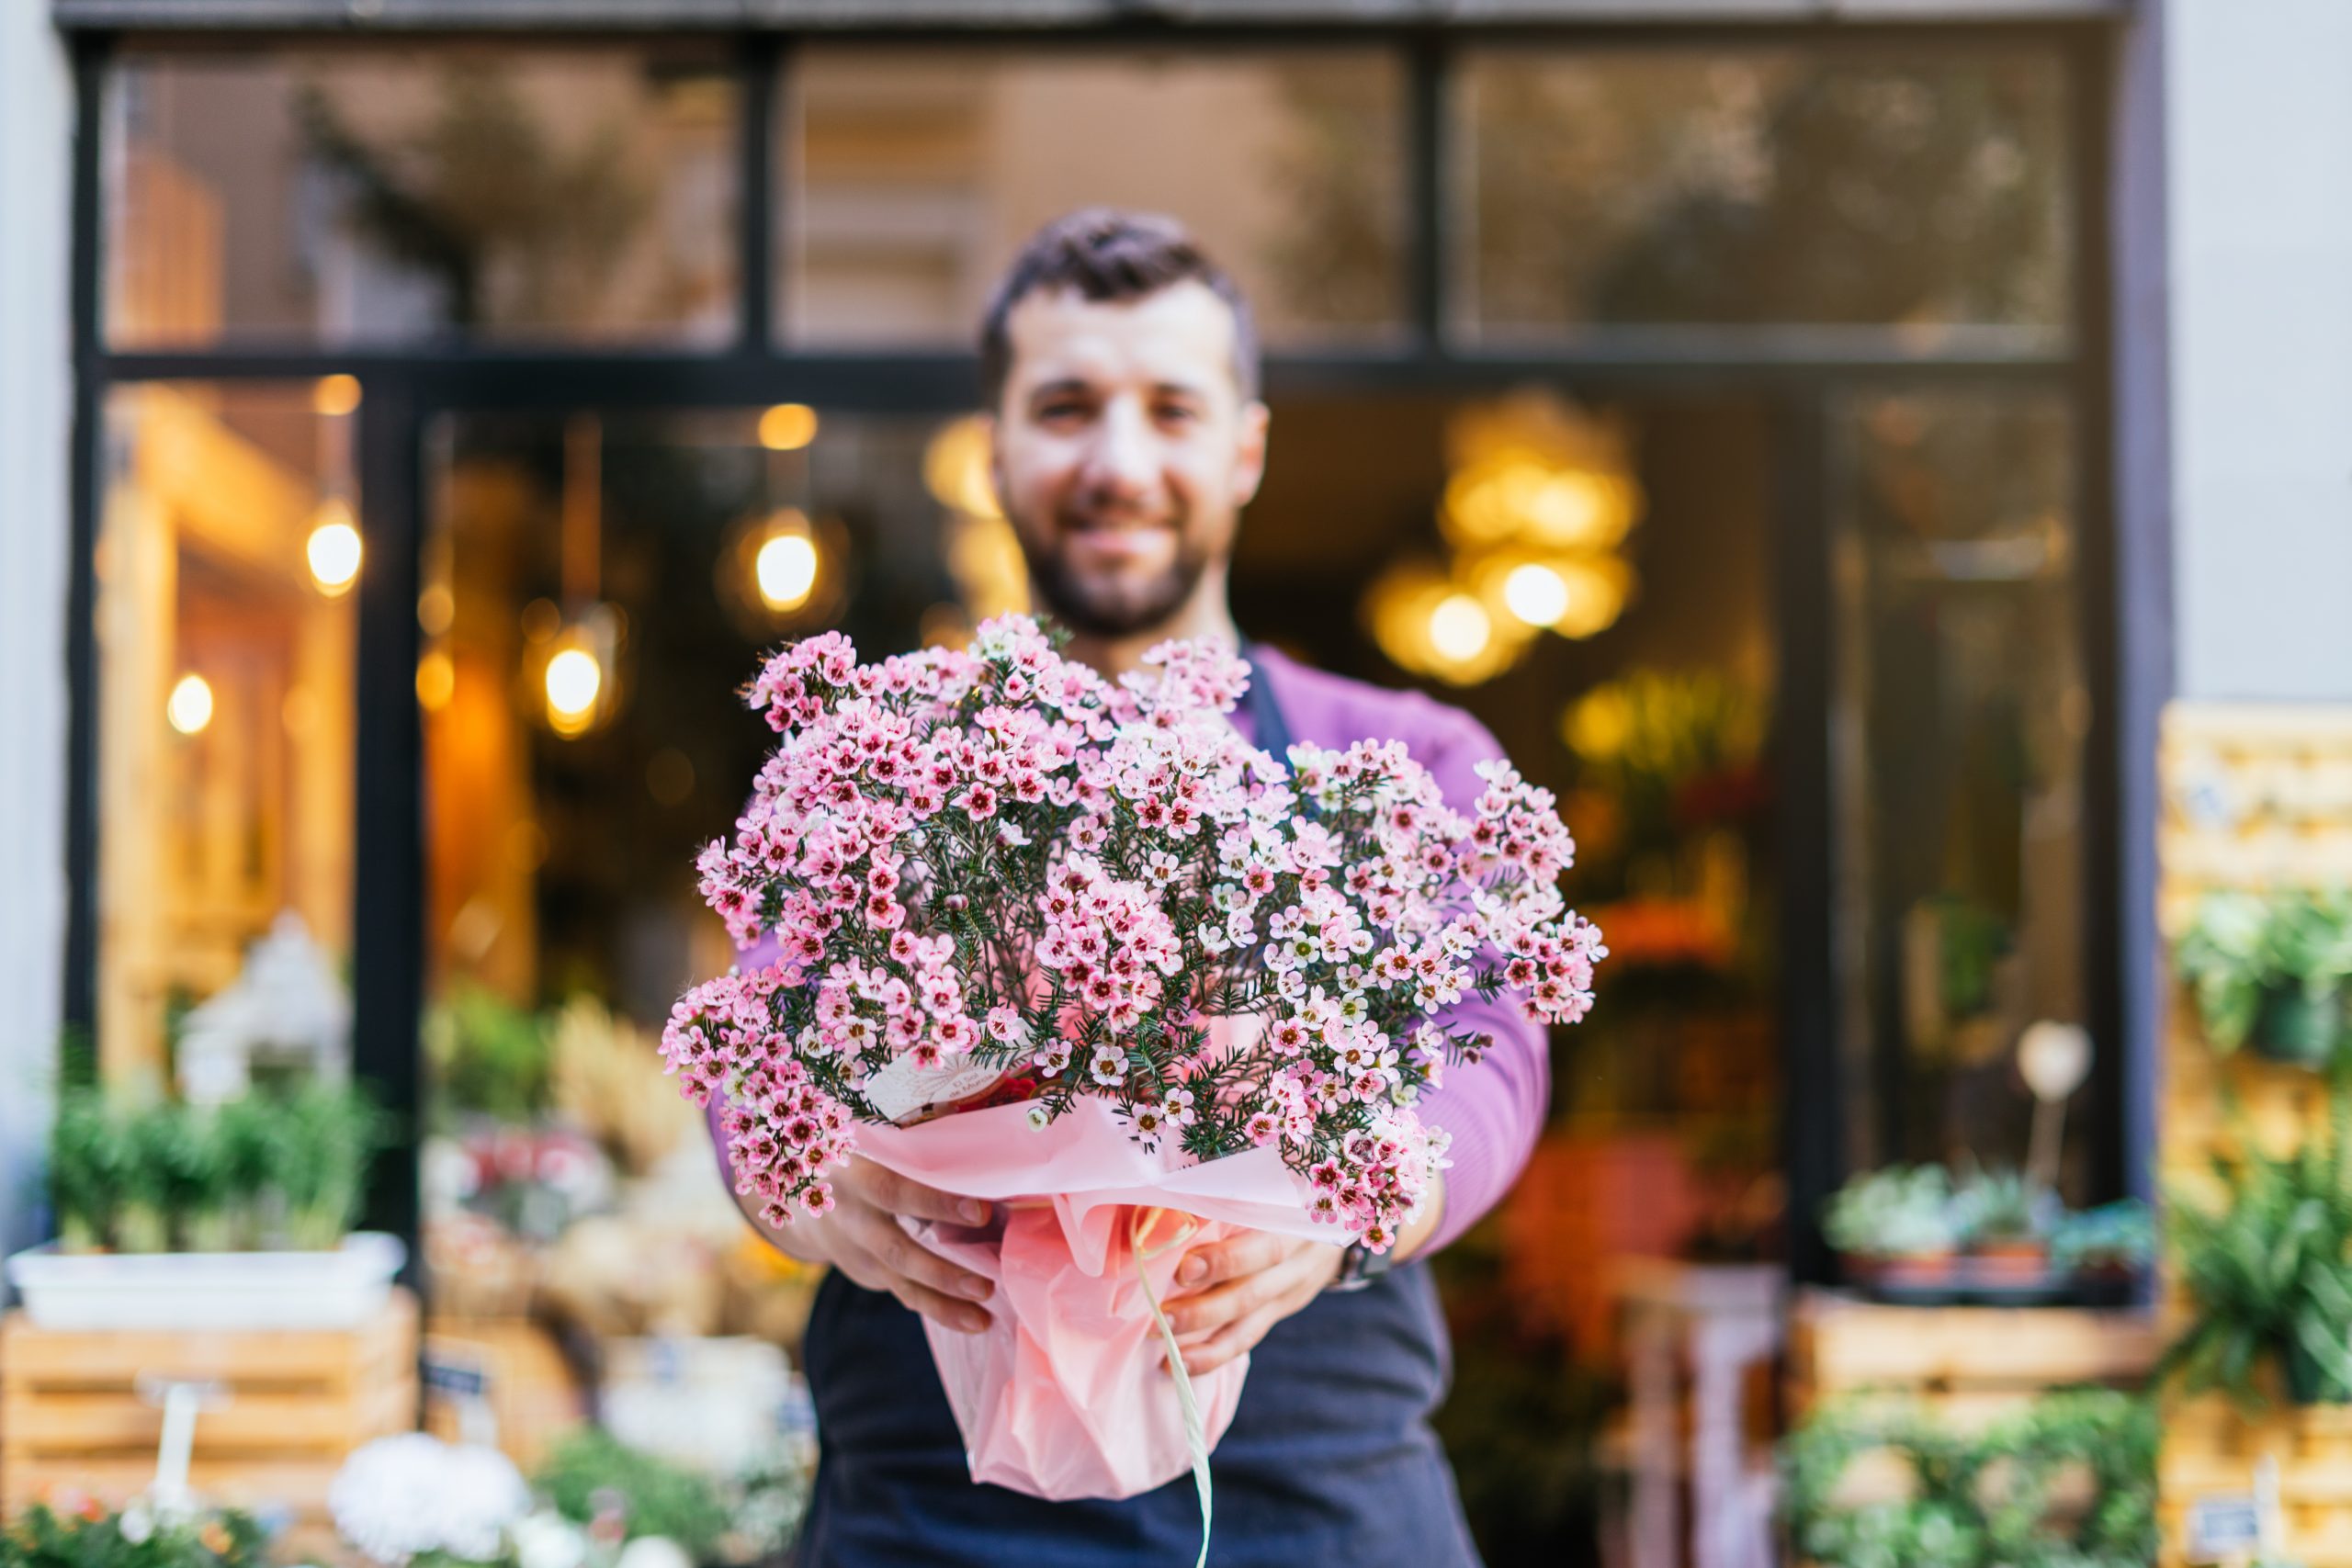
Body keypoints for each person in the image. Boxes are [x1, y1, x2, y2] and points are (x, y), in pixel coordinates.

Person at [720, 209, 1548, 1567]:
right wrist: (796, 1174)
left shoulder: (1407, 762)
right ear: (992, 451)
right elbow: (750, 1041)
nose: (1119, 461)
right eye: (1065, 407)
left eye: (1171, 408)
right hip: (933, 1524)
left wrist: (1365, 1199)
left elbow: (1493, 1054)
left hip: (1316, 1520)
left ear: (1246, 448)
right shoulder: (872, 771)